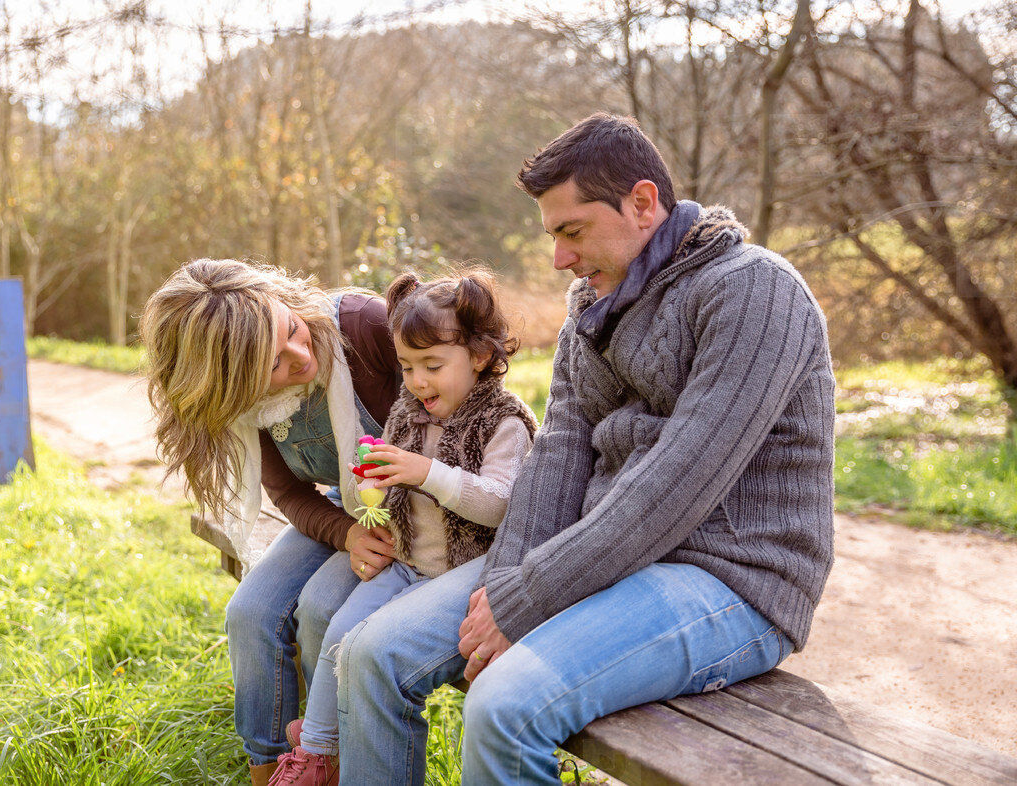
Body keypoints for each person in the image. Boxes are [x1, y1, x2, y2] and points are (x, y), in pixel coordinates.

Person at [334, 112, 836, 784]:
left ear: (642, 203)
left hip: (730, 579)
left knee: (503, 708)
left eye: (572, 232)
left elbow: (677, 484)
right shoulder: (589, 308)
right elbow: (559, 453)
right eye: (552, 236)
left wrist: (530, 597)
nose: (559, 259)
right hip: (602, 560)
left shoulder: (755, 290)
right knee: (372, 655)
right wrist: (508, 583)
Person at [267, 270, 539, 786]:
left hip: (460, 574)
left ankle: (323, 750)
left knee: (366, 644)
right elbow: (389, 487)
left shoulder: (503, 421)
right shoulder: (409, 412)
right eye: (408, 367)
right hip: (408, 564)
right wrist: (371, 483)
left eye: (433, 366)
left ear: (480, 356)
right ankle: (319, 753)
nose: (417, 381)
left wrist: (428, 474)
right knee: (340, 633)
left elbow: (501, 503)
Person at [138, 259, 402, 786]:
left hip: (419, 513)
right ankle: (270, 771)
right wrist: (346, 533)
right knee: (251, 612)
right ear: (232, 388)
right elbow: (288, 492)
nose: (301, 357)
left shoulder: (367, 329)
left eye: (290, 332)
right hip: (352, 511)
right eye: (273, 364)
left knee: (320, 608)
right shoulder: (248, 405)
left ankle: (325, 758)